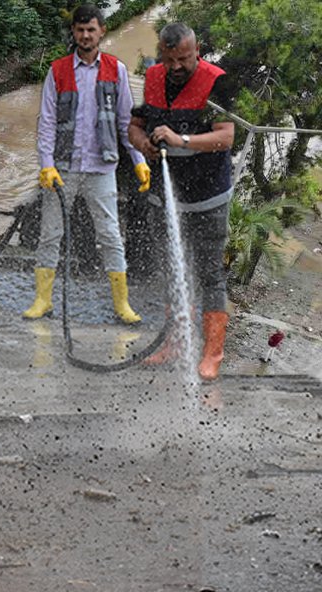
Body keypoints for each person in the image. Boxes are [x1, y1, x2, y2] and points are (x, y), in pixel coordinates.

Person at [26, 4, 150, 325]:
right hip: (63, 169)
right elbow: (47, 122)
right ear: (74, 33)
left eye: (91, 30)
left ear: (102, 31)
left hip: (101, 168)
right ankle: (42, 300)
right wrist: (46, 164)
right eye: (80, 30)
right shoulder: (58, 71)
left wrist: (137, 160)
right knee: (50, 233)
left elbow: (126, 122)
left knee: (110, 234)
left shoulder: (116, 70)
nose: (85, 35)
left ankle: (122, 304)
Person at [128, 22, 236, 381]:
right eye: (169, 58)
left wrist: (181, 139)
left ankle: (212, 353)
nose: (175, 67)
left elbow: (225, 137)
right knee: (172, 269)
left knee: (208, 275)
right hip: (166, 198)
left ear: (197, 50)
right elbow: (135, 125)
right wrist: (142, 143)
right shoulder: (154, 76)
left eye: (183, 59)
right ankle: (175, 341)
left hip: (207, 198)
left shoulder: (217, 80)